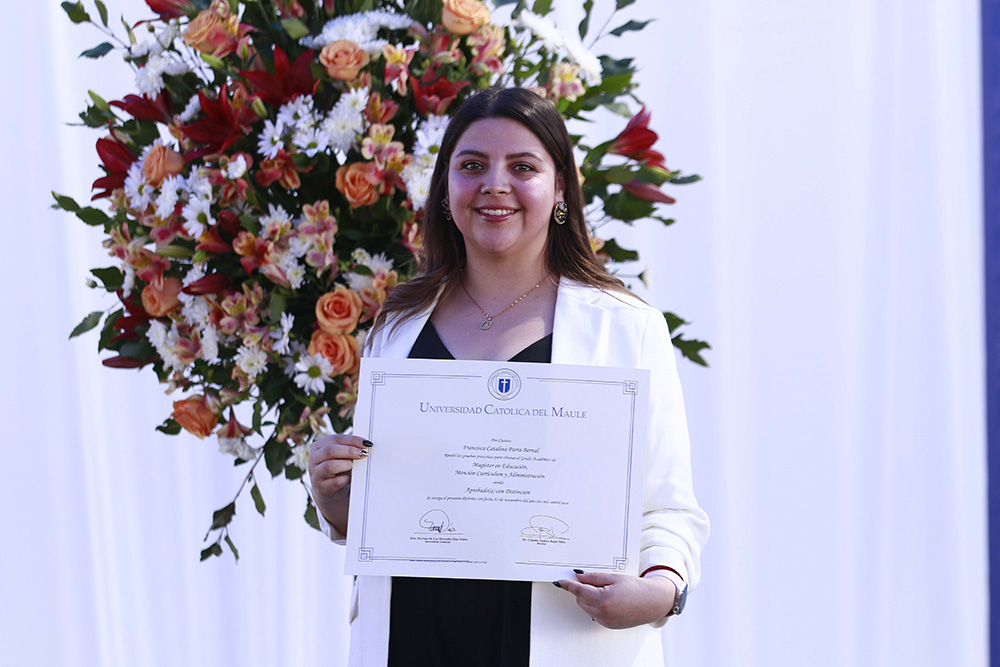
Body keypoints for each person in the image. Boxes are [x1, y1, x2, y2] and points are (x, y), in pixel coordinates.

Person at [307, 86, 709, 667]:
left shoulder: (626, 328)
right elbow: (383, 508)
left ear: (560, 188)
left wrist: (663, 589)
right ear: (446, 188)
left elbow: (669, 508)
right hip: (411, 639)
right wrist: (335, 496)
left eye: (523, 167)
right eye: (472, 166)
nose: (495, 184)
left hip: (565, 641)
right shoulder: (396, 326)